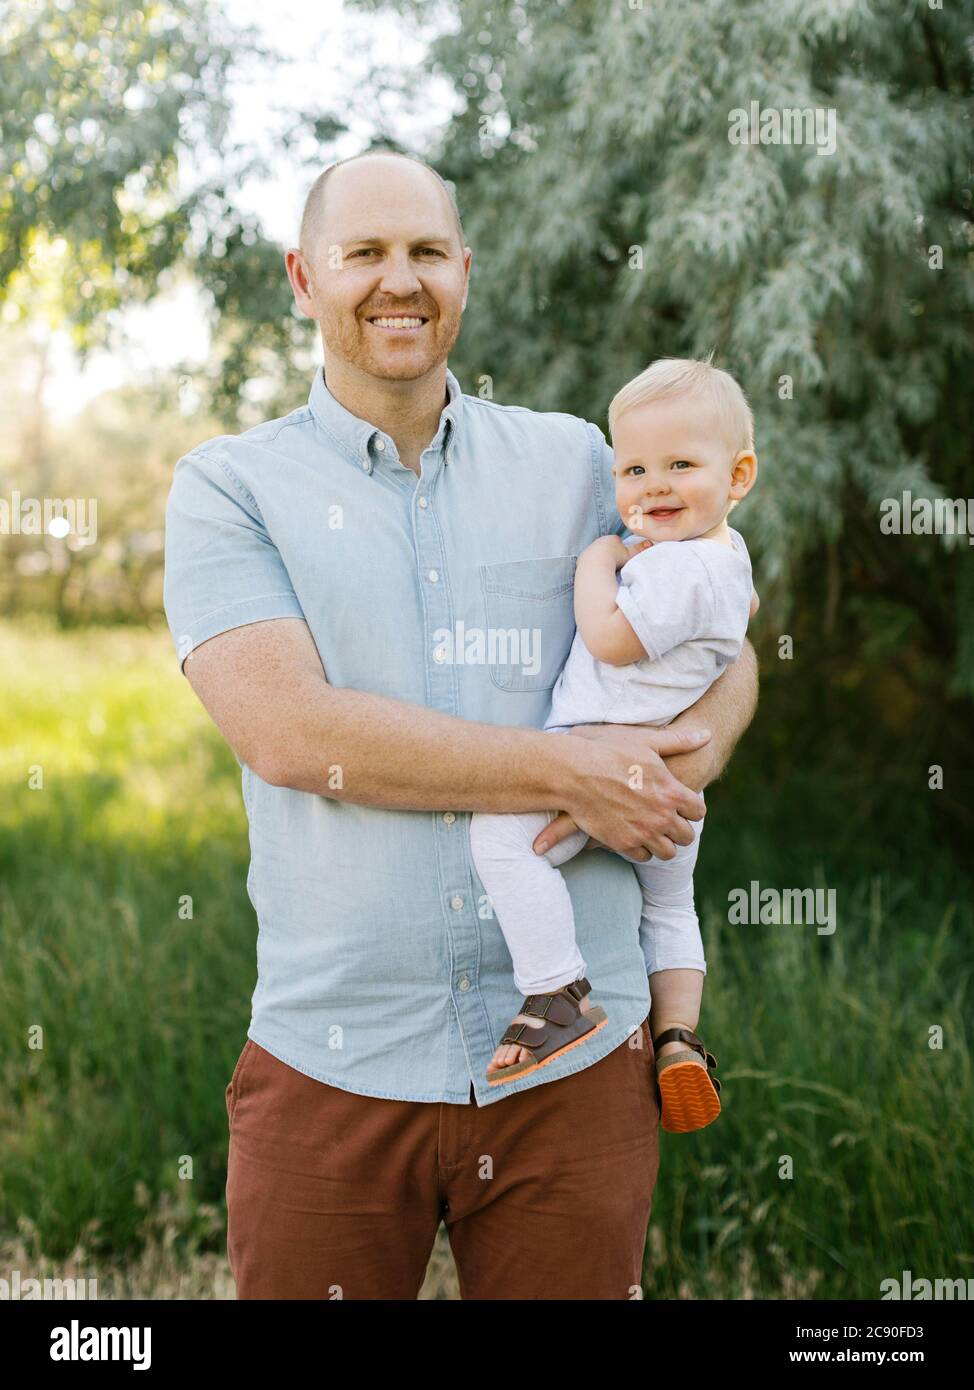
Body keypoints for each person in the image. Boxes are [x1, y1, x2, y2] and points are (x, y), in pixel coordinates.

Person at [163, 148, 758, 1300]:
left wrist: (703, 741)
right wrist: (569, 772)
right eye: (364, 254)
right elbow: (290, 731)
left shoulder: (578, 461)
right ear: (303, 276)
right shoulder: (229, 488)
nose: (400, 280)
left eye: (427, 251)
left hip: (579, 1062)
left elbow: (720, 633)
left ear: (465, 271)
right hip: (335, 1052)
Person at [469, 357, 758, 1136]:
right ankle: (678, 1038)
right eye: (633, 468)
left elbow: (610, 637)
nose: (653, 487)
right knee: (668, 909)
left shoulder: (677, 570)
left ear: (739, 475)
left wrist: (598, 560)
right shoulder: (728, 559)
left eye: (680, 466)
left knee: (498, 838)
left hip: (594, 761)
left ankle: (557, 991)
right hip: (669, 792)